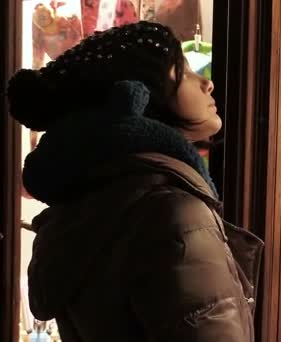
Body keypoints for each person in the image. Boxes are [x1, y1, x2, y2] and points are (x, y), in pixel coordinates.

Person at [6, 21, 262, 342]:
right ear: (143, 93)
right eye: (180, 70)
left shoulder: (92, 204)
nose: (206, 84)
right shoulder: (175, 215)